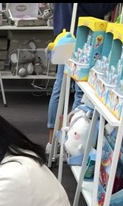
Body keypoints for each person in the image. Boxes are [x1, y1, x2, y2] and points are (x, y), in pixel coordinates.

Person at [47, 3, 117, 155]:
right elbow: (97, 8)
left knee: (60, 87)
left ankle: (52, 141)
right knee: (81, 91)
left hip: (64, 33)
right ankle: (72, 143)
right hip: (83, 35)